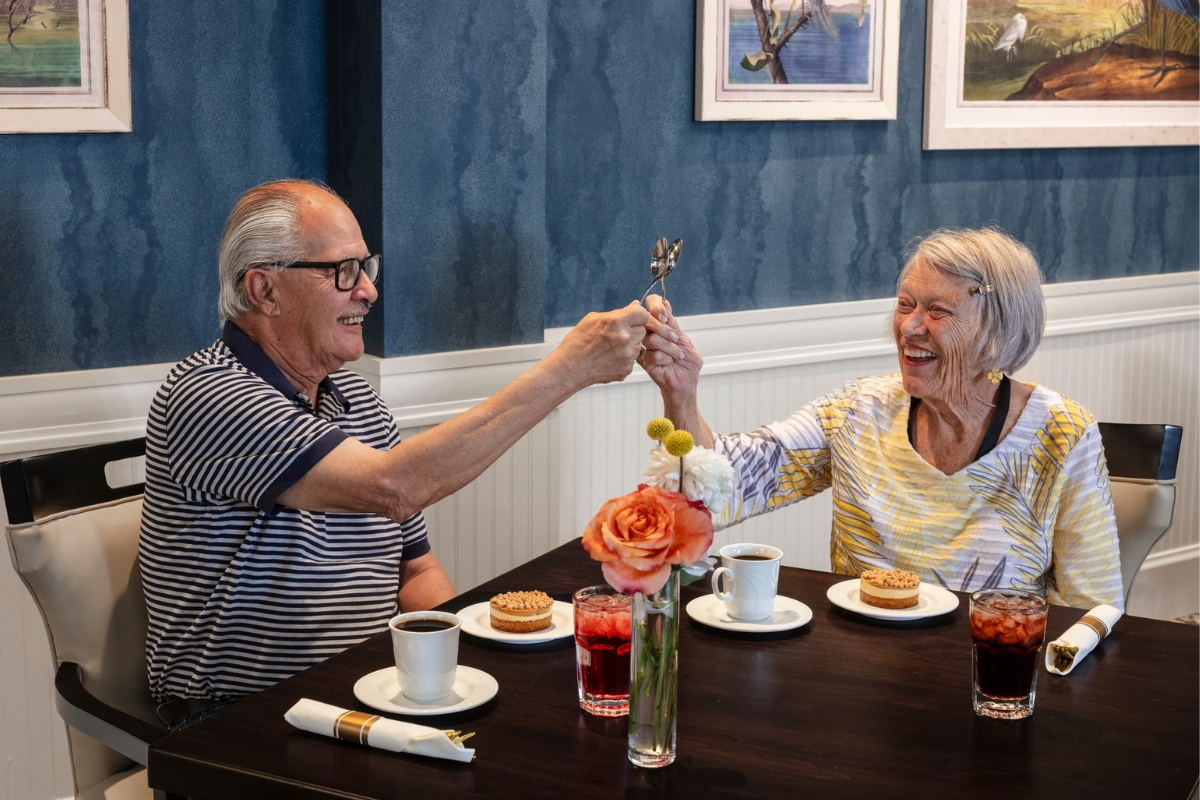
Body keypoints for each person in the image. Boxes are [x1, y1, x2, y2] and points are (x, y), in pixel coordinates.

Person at [140, 180, 649, 716]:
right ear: (264, 290)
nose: (368, 291)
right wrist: (568, 370)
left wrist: (460, 668)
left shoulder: (359, 400)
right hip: (238, 717)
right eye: (343, 271)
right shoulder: (207, 394)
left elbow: (415, 571)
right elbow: (392, 488)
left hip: (369, 693)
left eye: (366, 268)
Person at [637, 227, 1124, 610]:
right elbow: (724, 483)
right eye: (906, 304)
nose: (910, 326)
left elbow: (1093, 609)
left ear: (997, 330)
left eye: (938, 311)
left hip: (990, 675)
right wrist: (681, 391)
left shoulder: (1061, 433)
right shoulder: (859, 411)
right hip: (860, 668)